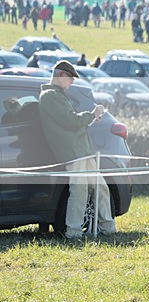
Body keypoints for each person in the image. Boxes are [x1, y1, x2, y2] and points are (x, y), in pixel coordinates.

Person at [39, 61, 114, 239]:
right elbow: (71, 121)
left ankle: (108, 227)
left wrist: (91, 118)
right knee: (79, 192)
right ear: (61, 75)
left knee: (101, 188)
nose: (72, 81)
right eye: (71, 77)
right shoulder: (50, 95)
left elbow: (71, 123)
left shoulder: (57, 94)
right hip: (73, 152)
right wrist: (92, 114)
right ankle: (73, 232)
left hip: (81, 150)